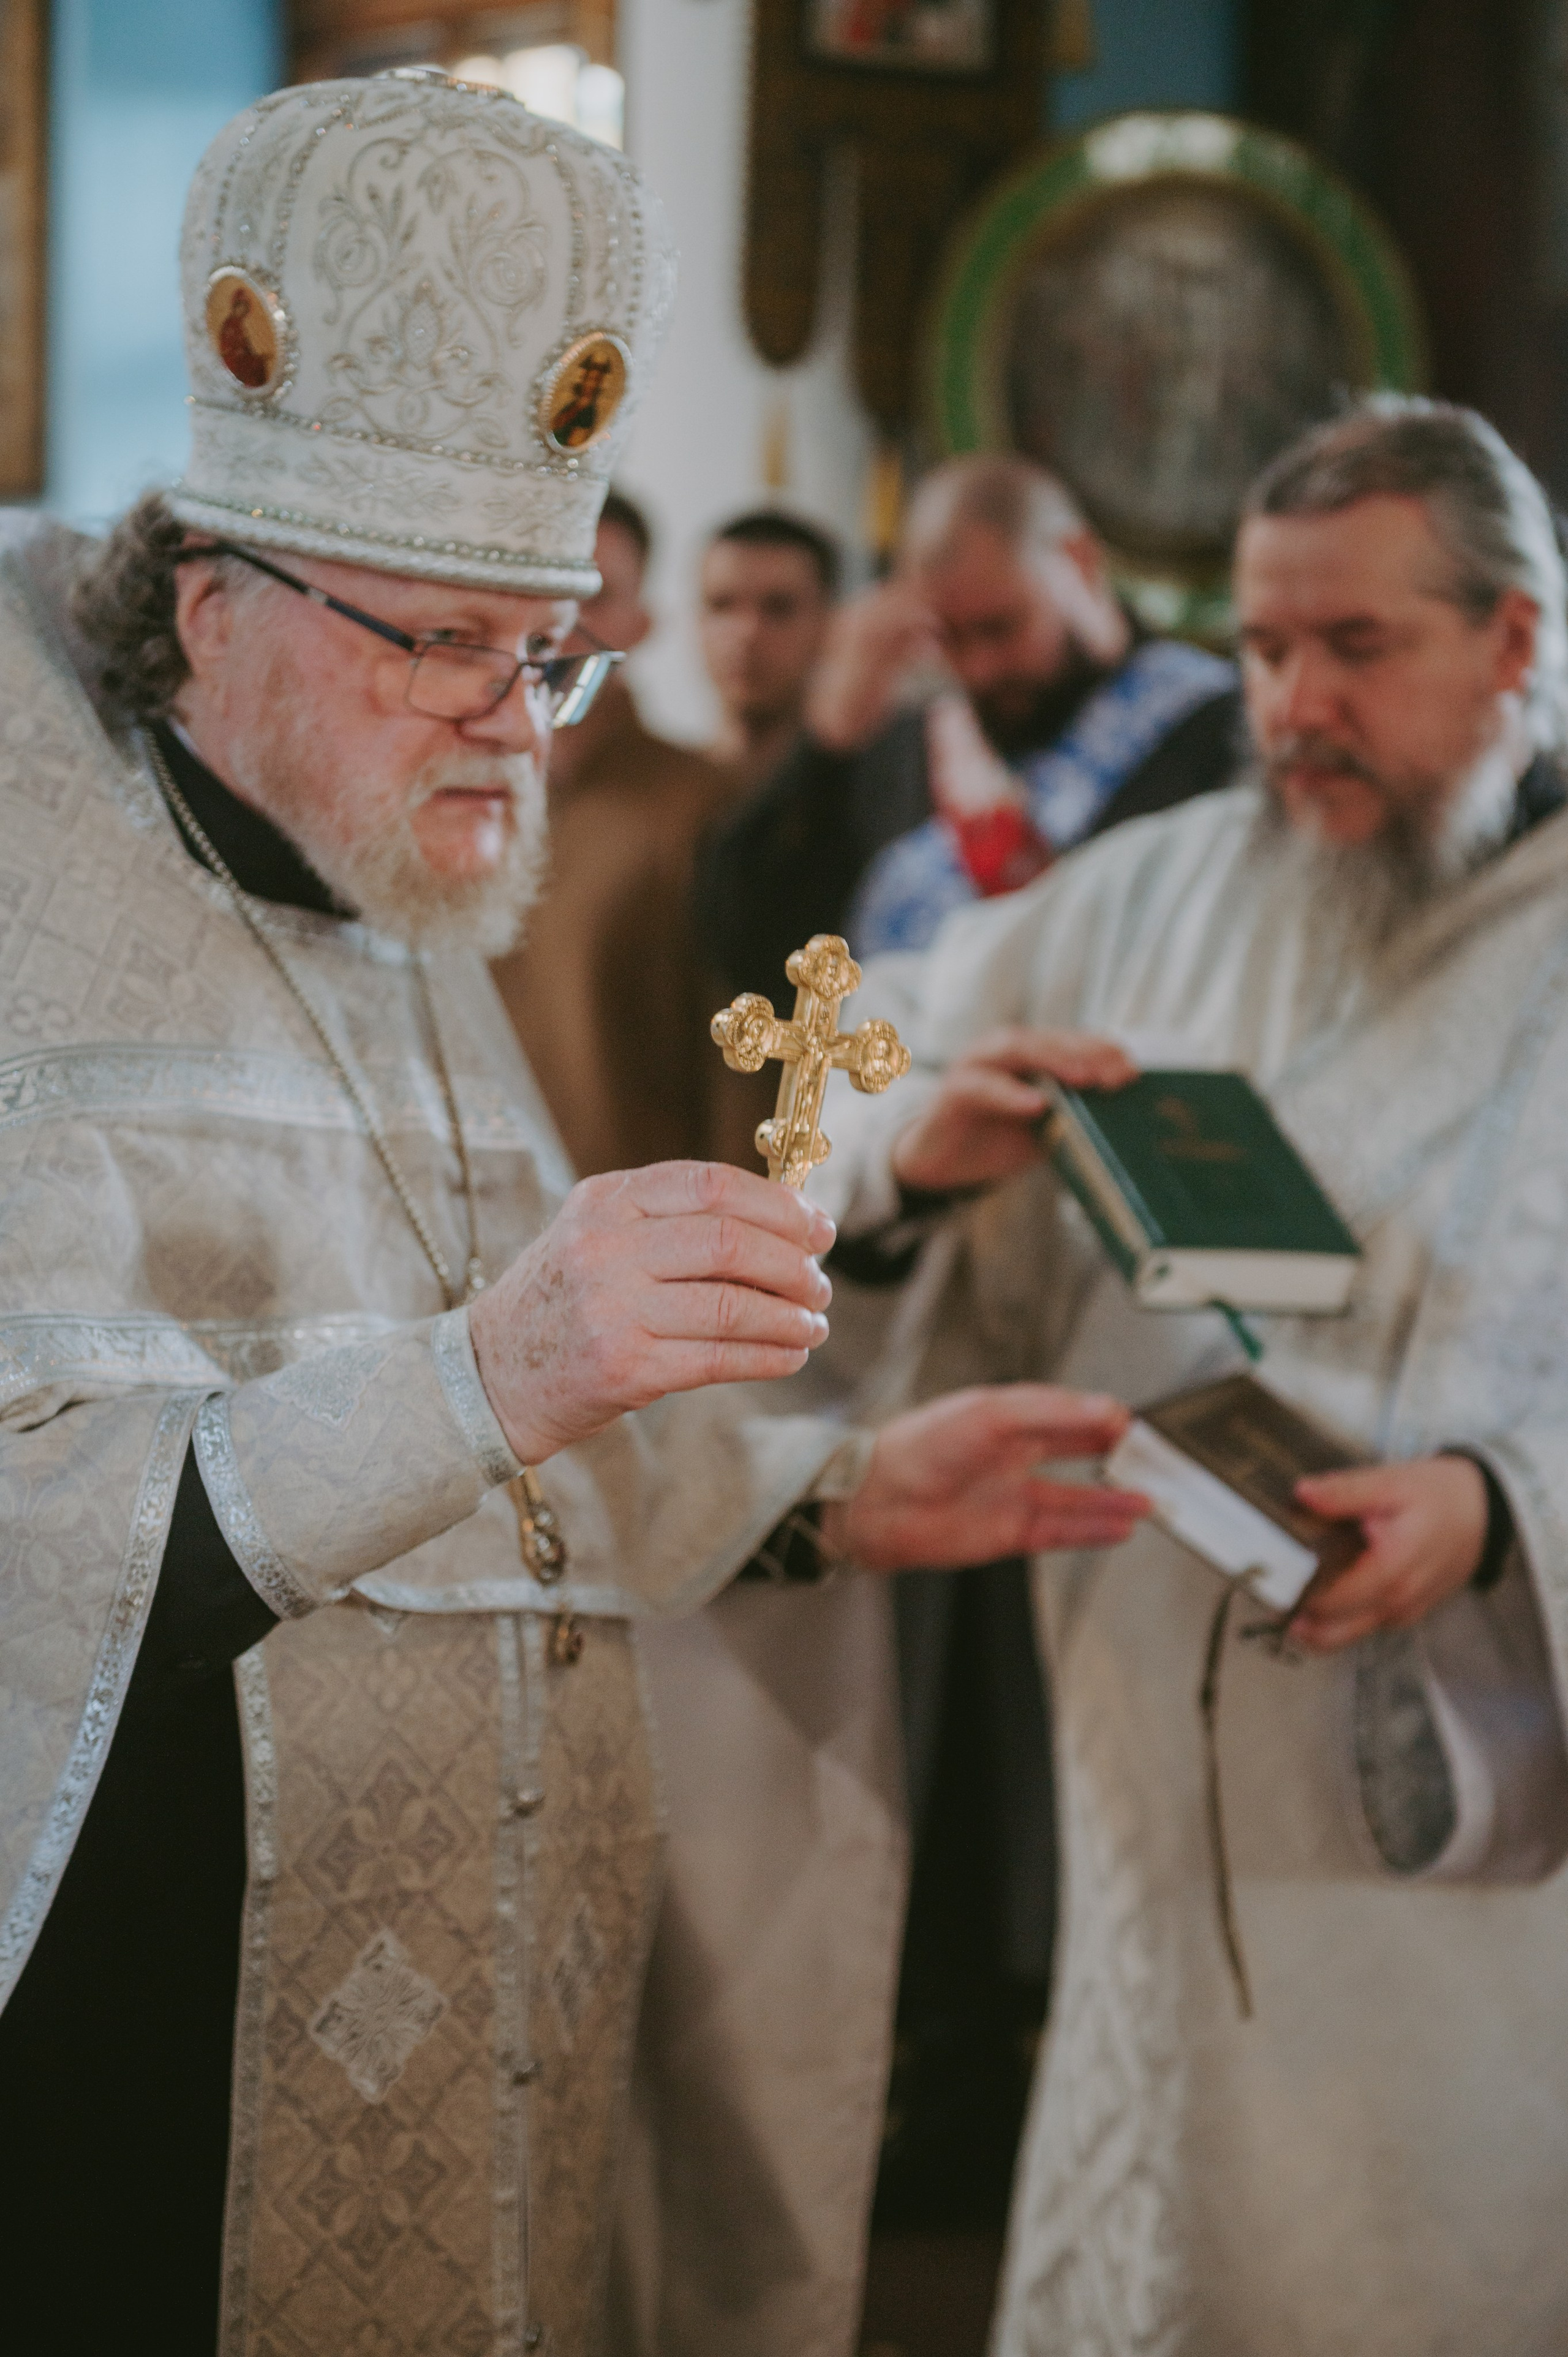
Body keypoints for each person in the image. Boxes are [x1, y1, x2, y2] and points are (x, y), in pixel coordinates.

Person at [0, 72, 1150, 2357]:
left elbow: (516, 1444)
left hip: (471, 1994)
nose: (515, 725)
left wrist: (822, 1494)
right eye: (440, 638)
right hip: (141, 2039)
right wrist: (491, 1363)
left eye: (548, 648)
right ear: (212, 599)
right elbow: (50, 1533)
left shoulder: (385, 868)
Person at [812, 396, 1568, 2353]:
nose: (1291, 701)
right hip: (1145, 1774)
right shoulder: (1146, 885)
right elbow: (856, 1050)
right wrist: (916, 1151)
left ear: (1511, 637)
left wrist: (1502, 1503)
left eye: (1354, 646)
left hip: (1469, 1856)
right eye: (1257, 646)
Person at [701, 453, 1241, 1004]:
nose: (979, 667)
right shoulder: (916, 738)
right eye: (950, 637)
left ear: (1078, 561)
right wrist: (825, 748)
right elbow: (751, 950)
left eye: (1001, 627)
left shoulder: (1216, 729)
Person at [490, 490, 745, 1175]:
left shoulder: (703, 805)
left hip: (634, 1225)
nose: (561, 623)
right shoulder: (462, 790)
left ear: (641, 623)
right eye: (544, 586)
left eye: (594, 596)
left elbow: (741, 1063)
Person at [698, 507, 840, 793]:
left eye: (779, 608)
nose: (746, 633)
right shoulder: (647, 794)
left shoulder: (872, 796)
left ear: (828, 624)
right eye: (722, 605)